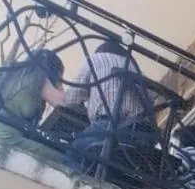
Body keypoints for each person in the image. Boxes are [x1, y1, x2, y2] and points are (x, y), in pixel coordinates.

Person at [62, 39, 159, 175]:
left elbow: (71, 99)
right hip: (143, 136)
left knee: (73, 155)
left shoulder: (95, 60)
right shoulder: (134, 68)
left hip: (111, 126)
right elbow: (153, 97)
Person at [0, 50, 68, 166]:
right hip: (8, 137)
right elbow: (62, 103)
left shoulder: (17, 74)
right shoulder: (38, 78)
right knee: (64, 160)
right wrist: (58, 81)